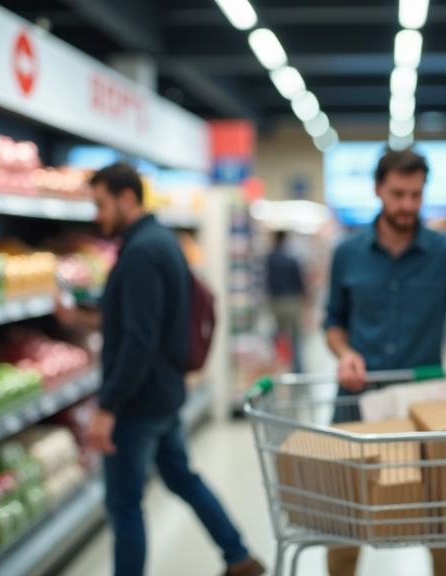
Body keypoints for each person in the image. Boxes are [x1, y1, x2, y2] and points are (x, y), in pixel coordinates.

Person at [323, 148, 446, 576]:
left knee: (440, 520)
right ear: (378, 189)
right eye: (398, 194)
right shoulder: (347, 253)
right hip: (356, 402)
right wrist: (345, 354)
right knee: (344, 519)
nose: (407, 205)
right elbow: (333, 323)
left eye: (416, 195)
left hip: (425, 409)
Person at [55, 163, 265, 576]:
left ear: (127, 197)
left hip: (137, 402)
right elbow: (137, 317)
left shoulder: (140, 253)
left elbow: (139, 338)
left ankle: (237, 557)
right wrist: (78, 316)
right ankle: (239, 556)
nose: (97, 215)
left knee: (124, 506)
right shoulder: (162, 241)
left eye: (102, 204)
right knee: (183, 478)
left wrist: (108, 408)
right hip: (165, 392)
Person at [265, 230, 307, 372]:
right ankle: (297, 369)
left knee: (278, 337)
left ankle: (278, 367)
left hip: (276, 302)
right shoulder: (292, 260)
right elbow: (299, 284)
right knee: (295, 339)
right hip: (291, 302)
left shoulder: (269, 260)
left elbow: (267, 282)